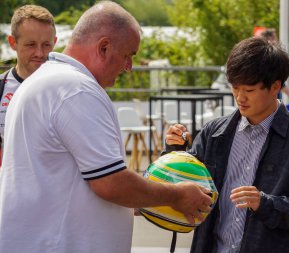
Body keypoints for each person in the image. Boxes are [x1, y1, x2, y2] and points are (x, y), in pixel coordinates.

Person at [0, 2, 212, 252]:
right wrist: (176, 196)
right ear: (103, 47)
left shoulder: (46, 80)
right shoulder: (76, 89)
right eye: (128, 55)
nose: (129, 67)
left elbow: (71, 180)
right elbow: (110, 183)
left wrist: (144, 196)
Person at [165, 37, 289, 253]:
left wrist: (264, 203)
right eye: (235, 88)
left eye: (249, 90)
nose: (240, 97)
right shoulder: (214, 133)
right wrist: (175, 149)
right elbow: (184, 182)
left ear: (275, 86)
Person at [0, 5, 57, 163]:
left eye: (46, 45)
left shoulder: (66, 90)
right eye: (30, 45)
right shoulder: (1, 87)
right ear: (13, 42)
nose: (39, 53)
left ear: (55, 42)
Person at [257, 28, 289, 109]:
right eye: (275, 38)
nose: (276, 41)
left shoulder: (261, 57)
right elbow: (279, 83)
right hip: (269, 100)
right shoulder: (269, 58)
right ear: (269, 40)